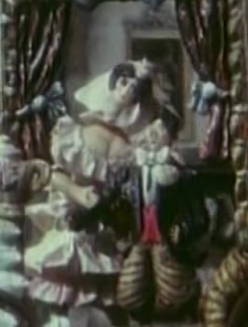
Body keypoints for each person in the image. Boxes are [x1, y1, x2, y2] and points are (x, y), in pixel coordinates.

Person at [24, 60, 157, 318]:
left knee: (101, 296)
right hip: (71, 221)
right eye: (123, 82)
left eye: (134, 88)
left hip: (104, 231)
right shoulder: (76, 133)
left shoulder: (127, 147)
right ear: (111, 84)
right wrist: (77, 192)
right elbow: (53, 175)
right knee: (65, 288)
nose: (127, 90)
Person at [116, 106, 210, 325]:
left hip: (167, 242)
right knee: (131, 291)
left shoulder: (183, 175)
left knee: (176, 290)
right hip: (140, 239)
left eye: (159, 130)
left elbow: (199, 215)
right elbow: (122, 204)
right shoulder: (131, 174)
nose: (152, 134)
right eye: (149, 129)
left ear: (170, 137)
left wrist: (183, 228)